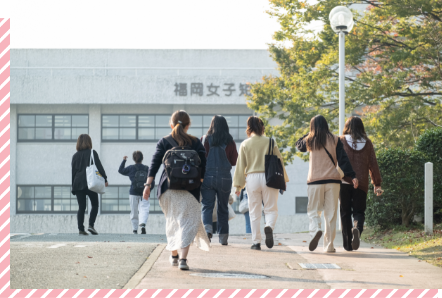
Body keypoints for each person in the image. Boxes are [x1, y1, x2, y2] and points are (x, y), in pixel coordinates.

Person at [142, 110, 210, 271]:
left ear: (171, 124)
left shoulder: (164, 141)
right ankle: (183, 260)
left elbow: (154, 164)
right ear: (188, 125)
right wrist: (199, 181)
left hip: (168, 188)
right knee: (188, 222)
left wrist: (147, 185)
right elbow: (203, 164)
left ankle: (174, 255)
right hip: (191, 189)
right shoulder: (195, 142)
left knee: (172, 220)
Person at [296, 115, 358, 253]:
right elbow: (343, 160)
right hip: (333, 182)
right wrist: (352, 175)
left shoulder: (310, 140)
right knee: (330, 214)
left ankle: (316, 228)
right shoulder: (335, 139)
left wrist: (309, 133)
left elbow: (298, 145)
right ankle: (329, 246)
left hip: (315, 181)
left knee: (313, 211)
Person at [233, 116, 289, 250]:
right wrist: (284, 180)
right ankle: (268, 225)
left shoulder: (245, 144)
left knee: (254, 211)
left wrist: (238, 185)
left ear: (249, 128)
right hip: (269, 177)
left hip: (252, 178)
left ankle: (256, 242)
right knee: (271, 209)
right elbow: (279, 162)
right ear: (262, 127)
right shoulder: (270, 141)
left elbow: (240, 166)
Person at [340, 116, 382, 251]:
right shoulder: (368, 143)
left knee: (345, 212)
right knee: (359, 211)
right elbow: (373, 165)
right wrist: (377, 184)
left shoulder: (341, 141)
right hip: (362, 182)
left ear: (347, 127)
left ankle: (347, 244)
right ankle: (357, 228)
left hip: (344, 182)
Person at [200, 115, 238, 245]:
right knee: (223, 208)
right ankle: (223, 238)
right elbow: (233, 162)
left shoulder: (204, 140)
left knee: (207, 206)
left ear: (212, 125)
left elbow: (200, 160)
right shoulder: (230, 141)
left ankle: (207, 230)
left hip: (207, 177)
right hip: (224, 178)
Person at [71, 134, 108, 236]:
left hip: (78, 183)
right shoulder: (92, 152)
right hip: (90, 182)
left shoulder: (75, 156)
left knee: (81, 207)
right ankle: (91, 225)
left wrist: (73, 187)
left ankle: (81, 229)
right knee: (95, 204)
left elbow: (73, 172)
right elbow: (99, 166)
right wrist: (105, 178)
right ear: (89, 142)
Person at [118, 151, 151, 234]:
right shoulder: (147, 168)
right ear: (142, 158)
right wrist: (149, 189)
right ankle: (142, 225)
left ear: (133, 159)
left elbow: (120, 170)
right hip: (144, 192)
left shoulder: (131, 168)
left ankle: (134, 229)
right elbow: (151, 179)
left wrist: (124, 160)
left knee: (134, 211)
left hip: (133, 192)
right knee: (144, 209)